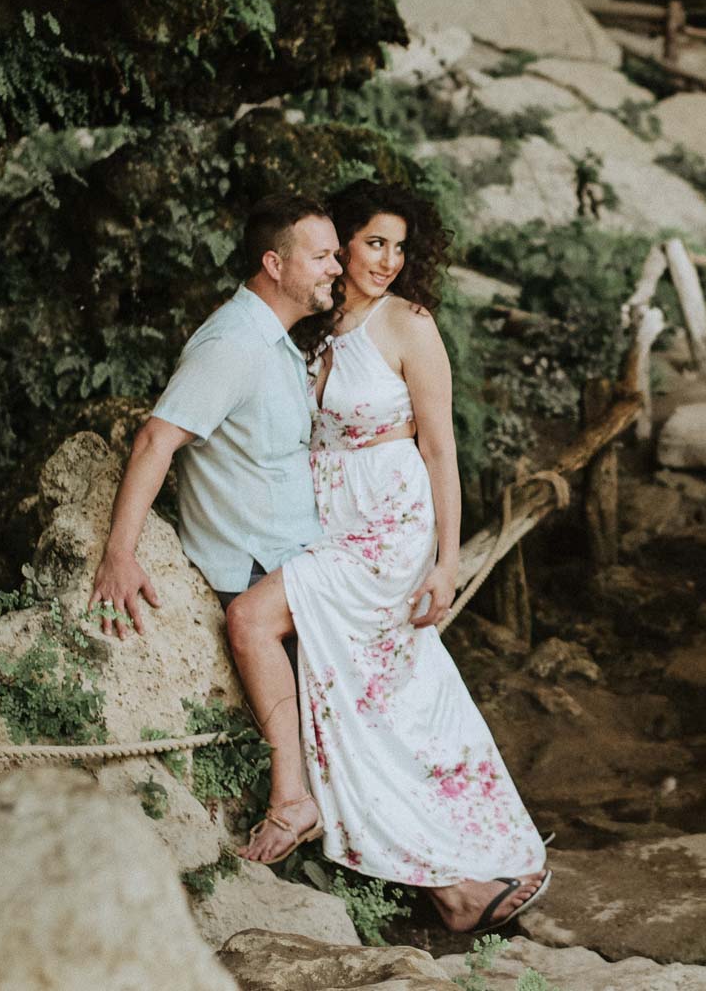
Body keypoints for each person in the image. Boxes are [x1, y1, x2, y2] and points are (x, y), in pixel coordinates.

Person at [227, 180, 550, 934]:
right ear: (340, 240)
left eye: (400, 248)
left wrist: (446, 564)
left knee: (301, 652)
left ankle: (318, 813)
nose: (389, 261)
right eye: (375, 242)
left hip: (390, 532)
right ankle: (456, 886)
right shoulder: (317, 324)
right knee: (378, 711)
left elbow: (440, 446)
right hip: (331, 525)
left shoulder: (409, 324)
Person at [88, 193, 339, 856]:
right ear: (273, 263)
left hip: (298, 553)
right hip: (257, 568)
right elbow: (154, 441)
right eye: (321, 257)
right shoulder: (233, 344)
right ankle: (293, 799)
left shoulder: (274, 341)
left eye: (337, 256)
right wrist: (121, 552)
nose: (335, 270)